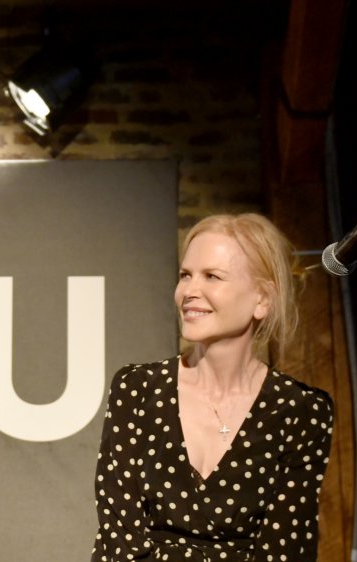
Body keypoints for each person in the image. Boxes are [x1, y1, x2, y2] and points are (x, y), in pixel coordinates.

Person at [91, 213, 334, 561]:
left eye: (212, 277)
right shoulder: (137, 389)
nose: (189, 291)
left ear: (262, 300)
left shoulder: (301, 411)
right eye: (185, 275)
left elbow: (287, 549)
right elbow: (119, 535)